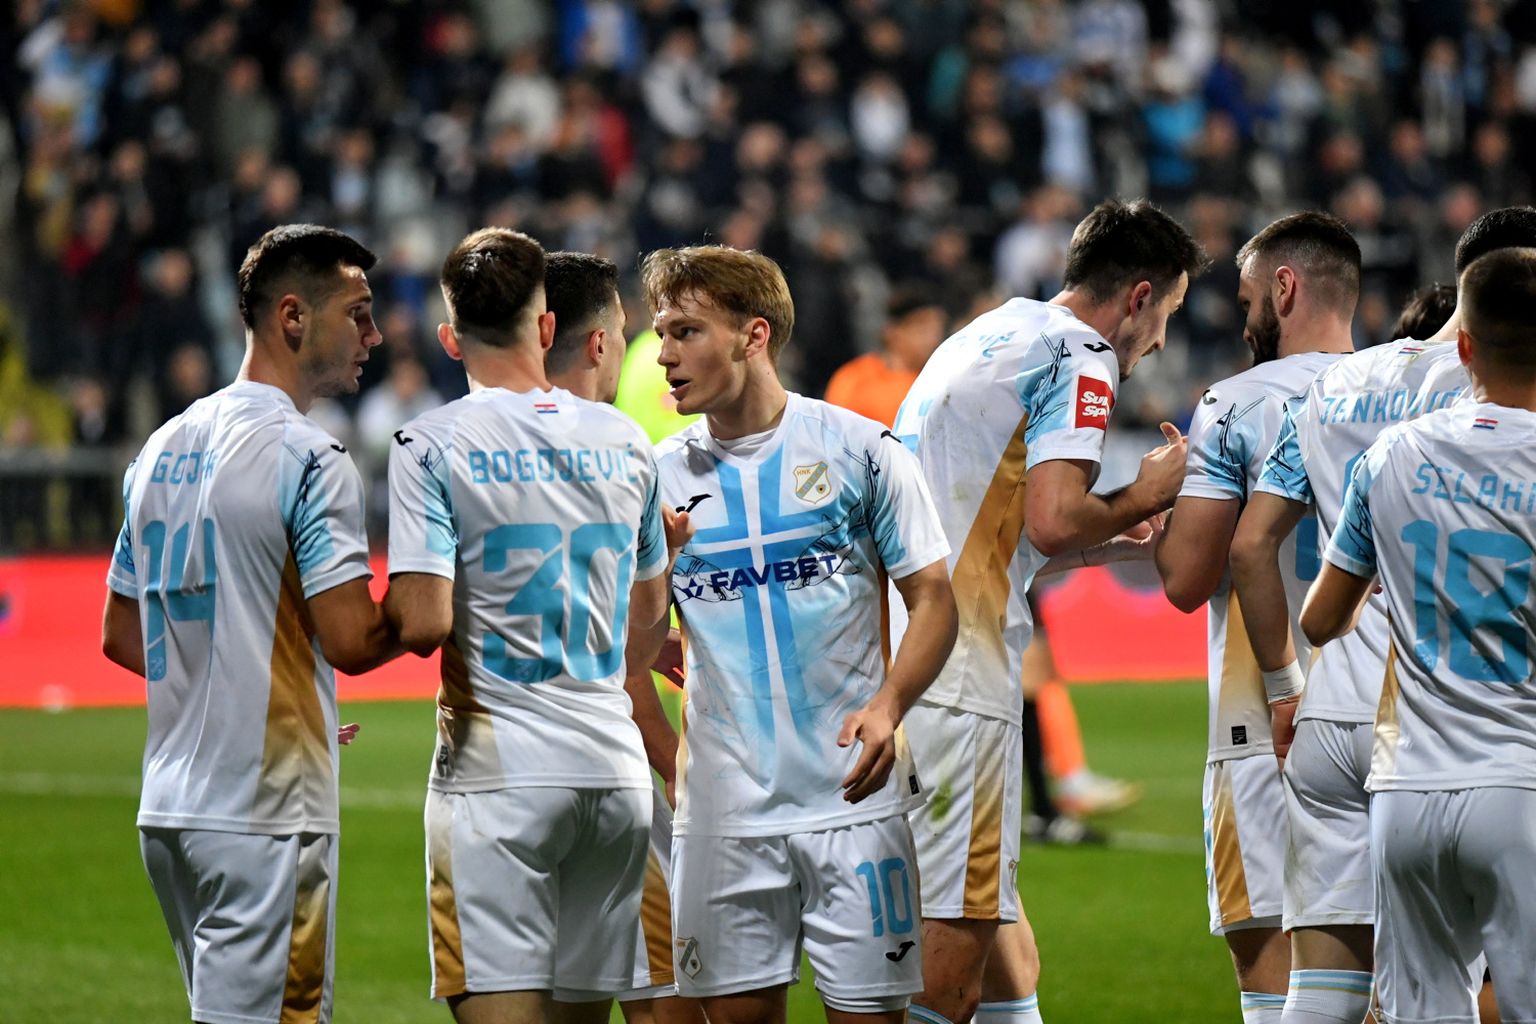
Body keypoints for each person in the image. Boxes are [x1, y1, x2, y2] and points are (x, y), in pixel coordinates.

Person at [891, 197, 1206, 1024]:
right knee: (945, 976)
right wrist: (1149, 489)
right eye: (1167, 313)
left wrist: (1116, 536)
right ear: (1139, 296)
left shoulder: (989, 332)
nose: (1160, 341)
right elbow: (1057, 519)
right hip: (959, 677)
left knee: (1009, 961)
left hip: (904, 655)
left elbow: (1009, 532)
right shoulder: (1084, 353)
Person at [1229, 206, 1536, 1024]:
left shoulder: (1340, 391)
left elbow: (1254, 546)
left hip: (1341, 720)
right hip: (1466, 726)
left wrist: (1284, 688)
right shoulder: (1486, 401)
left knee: (1327, 988)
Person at [641, 244, 958, 1024]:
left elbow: (933, 599)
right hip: (723, 814)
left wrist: (889, 703)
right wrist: (657, 586)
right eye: (661, 333)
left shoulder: (860, 451)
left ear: (753, 336)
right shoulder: (652, 480)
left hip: (853, 800)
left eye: (686, 332)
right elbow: (627, 649)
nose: (664, 355)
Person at [100, 223, 400, 1024]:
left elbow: (122, 635)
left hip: (170, 813)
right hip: (265, 816)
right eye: (358, 313)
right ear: (293, 317)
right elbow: (353, 640)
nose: (374, 335)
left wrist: (254, 687)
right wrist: (433, 595)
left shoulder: (159, 449)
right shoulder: (309, 456)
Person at [383, 229, 678, 1024]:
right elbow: (645, 629)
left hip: (498, 780)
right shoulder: (626, 441)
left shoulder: (428, 444)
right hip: (612, 778)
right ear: (546, 328)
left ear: (450, 340)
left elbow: (422, 621)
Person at [1153, 212, 1360, 1023]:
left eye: (1246, 301)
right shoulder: (1402, 395)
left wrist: (1159, 503)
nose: (1243, 322)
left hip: (1261, 722)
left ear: (1285, 287)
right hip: (1380, 711)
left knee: (1270, 957)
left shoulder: (1233, 404)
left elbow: (1186, 579)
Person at [542, 248, 704, 1024]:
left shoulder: (466, 444)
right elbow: (623, 667)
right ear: (600, 340)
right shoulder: (614, 452)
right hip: (605, 767)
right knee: (663, 997)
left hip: (500, 779)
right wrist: (680, 769)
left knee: (558, 998)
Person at [823, 285, 947, 428]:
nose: (933, 338)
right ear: (892, 332)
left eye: (937, 329)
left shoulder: (942, 382)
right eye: (922, 329)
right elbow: (834, 430)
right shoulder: (855, 379)